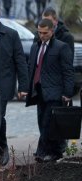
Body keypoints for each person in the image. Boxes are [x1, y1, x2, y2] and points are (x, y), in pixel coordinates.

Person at [0, 2, 29, 166]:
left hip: (3, 83)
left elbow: (20, 61)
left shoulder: (10, 34)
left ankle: (2, 147)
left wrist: (23, 86)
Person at [26, 18, 74, 162]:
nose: (42, 35)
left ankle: (41, 152)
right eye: (39, 32)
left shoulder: (61, 47)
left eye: (45, 33)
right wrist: (27, 88)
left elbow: (68, 71)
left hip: (55, 91)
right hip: (39, 91)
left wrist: (67, 93)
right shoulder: (35, 47)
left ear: (52, 31)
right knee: (42, 122)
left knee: (48, 122)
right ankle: (56, 151)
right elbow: (32, 68)